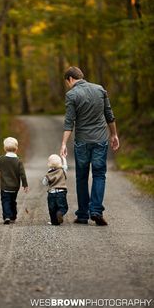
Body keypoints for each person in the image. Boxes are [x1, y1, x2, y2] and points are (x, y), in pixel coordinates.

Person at [60, 66, 119, 226]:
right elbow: (109, 114)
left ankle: (83, 215)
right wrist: (114, 134)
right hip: (100, 140)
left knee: (82, 177)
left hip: (82, 142)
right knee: (99, 174)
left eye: (67, 83)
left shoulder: (71, 94)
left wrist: (64, 143)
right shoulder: (100, 89)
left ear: (70, 79)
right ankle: (96, 211)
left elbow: (69, 121)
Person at [0, 137, 29, 224]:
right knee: (13, 201)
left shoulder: (1, 159)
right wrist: (25, 185)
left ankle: (7, 216)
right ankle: (13, 216)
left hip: (4, 187)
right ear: (16, 148)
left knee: (5, 201)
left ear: (4, 148)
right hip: (15, 187)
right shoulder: (18, 161)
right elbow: (22, 174)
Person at [42, 154, 68, 225]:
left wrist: (47, 174)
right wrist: (63, 158)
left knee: (52, 209)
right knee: (63, 207)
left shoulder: (48, 174)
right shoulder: (63, 171)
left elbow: (44, 183)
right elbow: (65, 166)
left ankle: (54, 222)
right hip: (61, 192)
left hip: (51, 193)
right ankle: (60, 213)